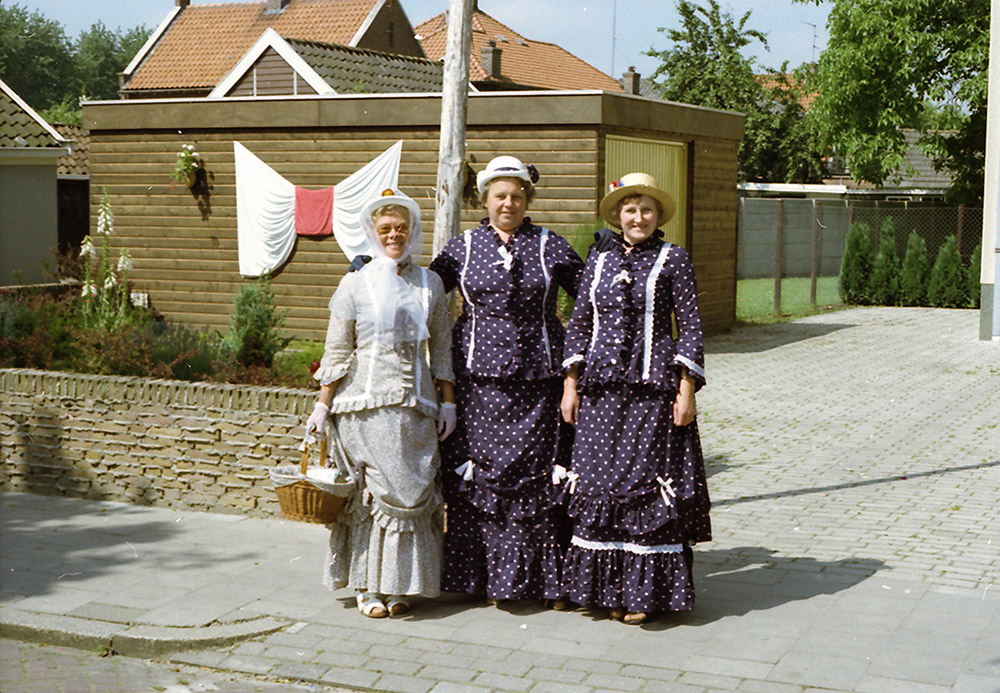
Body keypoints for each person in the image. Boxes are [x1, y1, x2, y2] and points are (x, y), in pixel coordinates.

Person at [428, 155, 584, 605]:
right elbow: (425, 291)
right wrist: (379, 272)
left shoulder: (549, 246)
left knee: (535, 479)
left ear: (527, 198)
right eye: (500, 196)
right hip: (478, 386)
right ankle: (480, 579)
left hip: (538, 383)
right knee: (482, 480)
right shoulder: (464, 247)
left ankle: (541, 582)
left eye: (517, 195)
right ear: (486, 199)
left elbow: (591, 296)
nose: (508, 203)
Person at [559, 172, 711, 625]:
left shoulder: (674, 259)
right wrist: (570, 384)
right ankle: (601, 590)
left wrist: (687, 389)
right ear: (617, 215)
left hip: (652, 391)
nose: (638, 217)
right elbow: (580, 324)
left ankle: (644, 593)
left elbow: (691, 325)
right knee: (600, 482)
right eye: (630, 209)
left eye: (646, 209)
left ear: (657, 216)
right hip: (600, 390)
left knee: (646, 483)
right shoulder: (599, 262)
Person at [305, 189, 456, 619]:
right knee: (370, 497)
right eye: (385, 229)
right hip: (363, 404)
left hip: (415, 405)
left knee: (411, 494)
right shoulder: (355, 282)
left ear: (412, 233)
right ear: (373, 233)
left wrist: (448, 403)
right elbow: (337, 348)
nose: (394, 235)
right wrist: (322, 404)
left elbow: (442, 349)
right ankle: (368, 586)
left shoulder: (430, 283)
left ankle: (399, 585)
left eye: (401, 228)